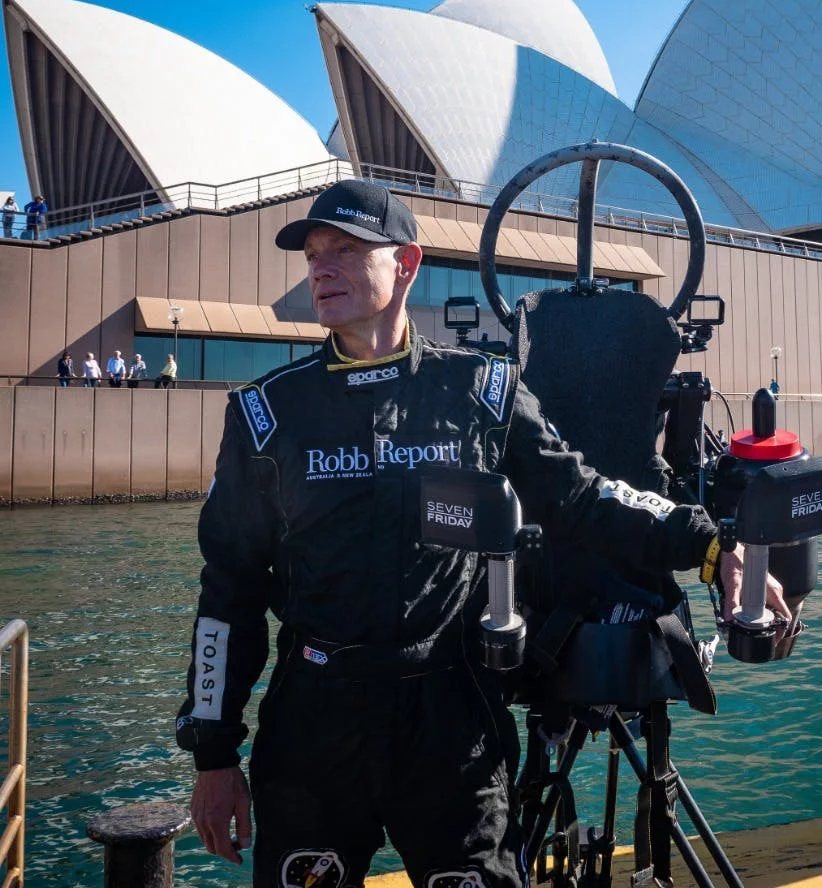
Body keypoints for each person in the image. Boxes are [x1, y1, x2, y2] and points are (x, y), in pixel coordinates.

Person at [175, 179, 788, 888]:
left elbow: (586, 498)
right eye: (313, 254)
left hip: (453, 719)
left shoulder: (481, 392)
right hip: (315, 721)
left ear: (406, 263)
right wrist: (214, 757)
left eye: (344, 249)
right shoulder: (265, 413)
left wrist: (714, 549)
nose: (321, 268)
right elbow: (229, 594)